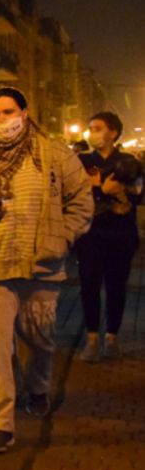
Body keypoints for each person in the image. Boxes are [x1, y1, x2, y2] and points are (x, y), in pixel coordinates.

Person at [0, 87, 92, 453]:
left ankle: (38, 387)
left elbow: (82, 201)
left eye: (8, 111)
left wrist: (62, 237)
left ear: (24, 112)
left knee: (39, 341)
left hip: (41, 266)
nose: (2, 120)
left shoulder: (54, 153)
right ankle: (0, 422)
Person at [76, 112, 142, 362]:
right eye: (90, 128)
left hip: (121, 234)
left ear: (113, 132)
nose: (92, 133)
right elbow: (72, 191)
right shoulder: (82, 161)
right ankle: (92, 338)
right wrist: (102, 189)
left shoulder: (129, 161)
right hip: (89, 233)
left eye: (98, 128)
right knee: (89, 285)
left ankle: (112, 337)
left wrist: (99, 187)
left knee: (117, 286)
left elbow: (137, 193)